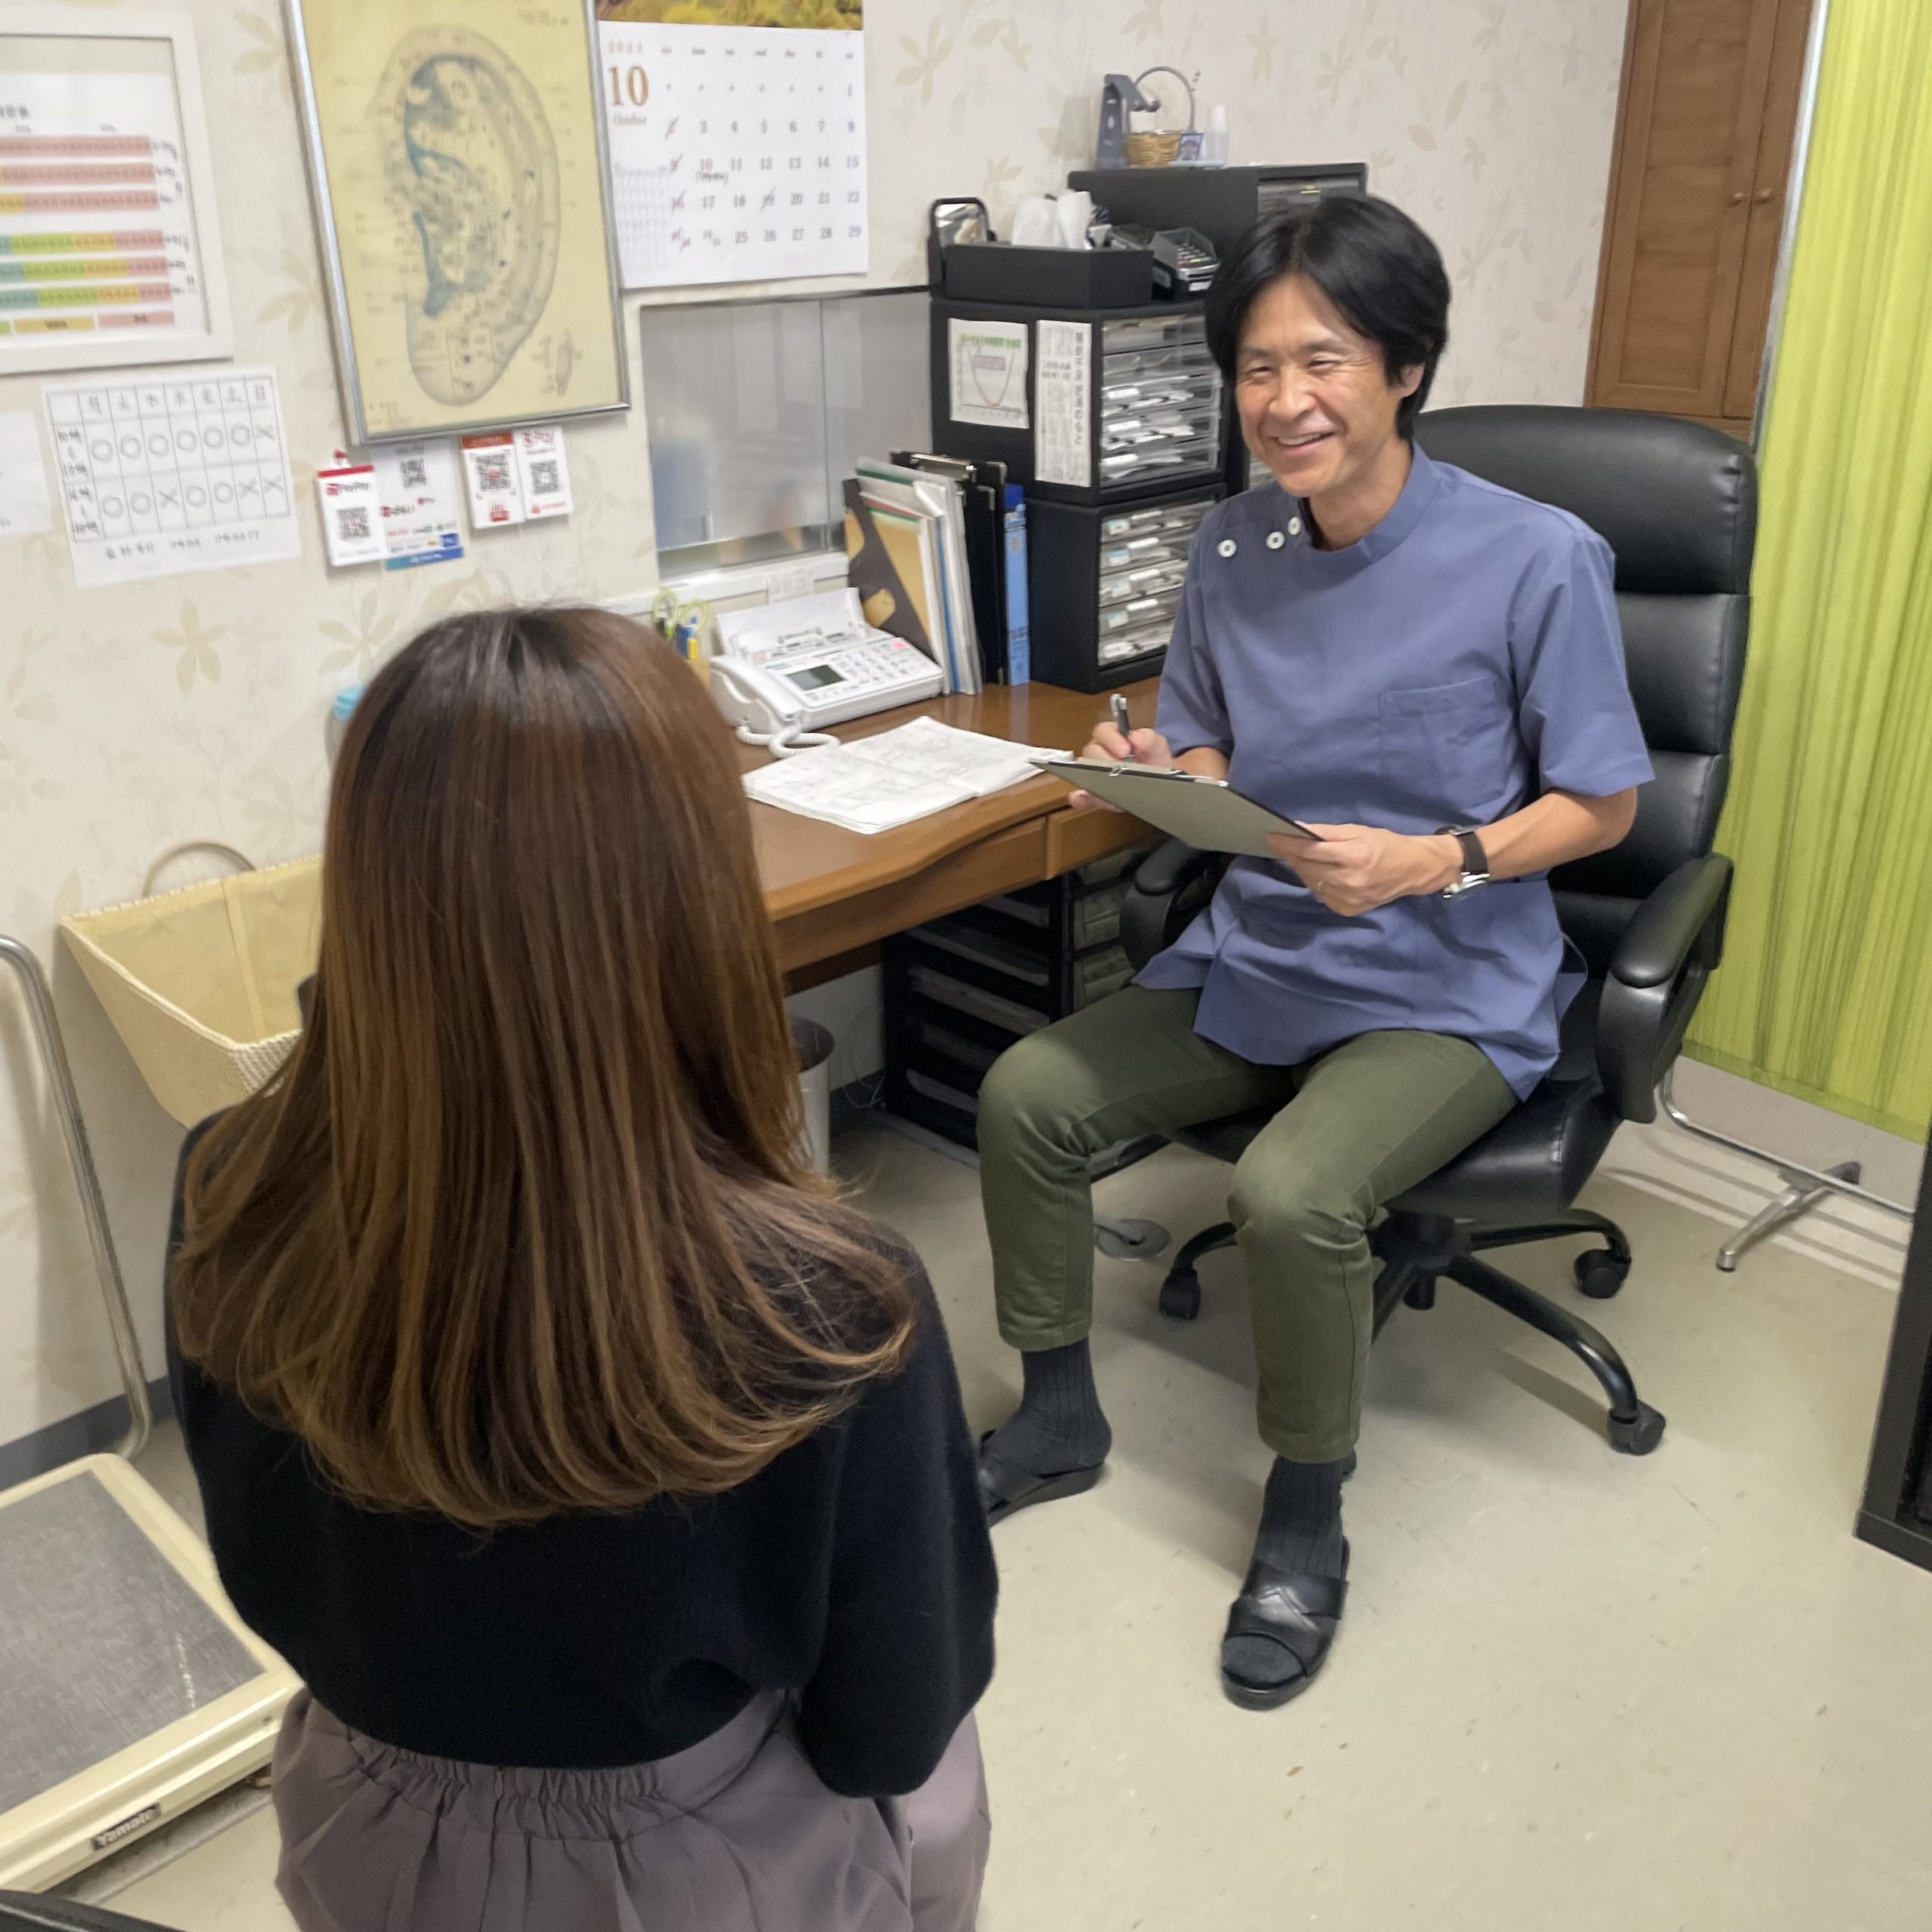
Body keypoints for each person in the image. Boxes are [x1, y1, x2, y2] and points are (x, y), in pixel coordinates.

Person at [167, 608, 996, 1931]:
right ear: (694, 899)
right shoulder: (833, 1308)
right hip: (686, 1878)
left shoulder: (228, 1182)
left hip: (360, 1827)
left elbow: (261, 1564)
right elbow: (894, 1726)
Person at [974, 195, 1653, 1711]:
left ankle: (1301, 1505)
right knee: (1027, 1090)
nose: (1284, 401)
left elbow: (1604, 801)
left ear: (1403, 365)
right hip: (1268, 944)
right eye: (1256, 368)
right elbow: (1209, 724)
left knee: (1287, 1189)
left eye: (1324, 361)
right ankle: (1056, 1413)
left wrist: (1442, 856)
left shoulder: (1533, 557)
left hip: (1445, 978)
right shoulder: (1233, 539)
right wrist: (1171, 764)